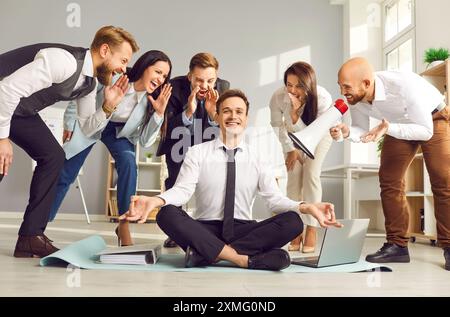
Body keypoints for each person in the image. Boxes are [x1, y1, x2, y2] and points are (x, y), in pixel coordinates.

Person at [121, 89, 342, 271]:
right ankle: (241, 259)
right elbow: (183, 191)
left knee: (293, 221)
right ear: (216, 117)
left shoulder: (258, 157)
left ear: (246, 118)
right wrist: (156, 201)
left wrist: (306, 207)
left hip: (244, 230)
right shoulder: (197, 152)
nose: (233, 116)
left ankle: (207, 254)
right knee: (167, 214)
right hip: (205, 228)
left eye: (239, 112)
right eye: (226, 111)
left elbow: (274, 199)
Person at [0, 26, 139, 258]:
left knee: (53, 156)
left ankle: (30, 238)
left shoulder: (89, 83)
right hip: (3, 98)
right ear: (105, 50)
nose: (123, 69)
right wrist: (2, 138)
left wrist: (108, 106)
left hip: (20, 111)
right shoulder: (64, 62)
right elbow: (6, 90)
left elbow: (86, 127)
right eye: (123, 60)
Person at [331, 57, 450, 271]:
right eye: (340, 86)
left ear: (366, 83)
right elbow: (360, 128)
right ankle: (397, 245)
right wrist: (347, 132)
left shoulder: (404, 86)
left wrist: (388, 129)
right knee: (389, 179)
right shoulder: (357, 98)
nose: (343, 92)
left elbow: (425, 131)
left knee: (443, 182)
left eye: (346, 87)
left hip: (432, 119)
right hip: (397, 124)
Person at [48, 50, 172, 247]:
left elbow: (146, 142)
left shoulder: (153, 101)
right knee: (66, 174)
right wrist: (69, 123)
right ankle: (40, 225)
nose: (160, 79)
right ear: (144, 67)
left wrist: (158, 114)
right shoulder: (116, 77)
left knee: (129, 164)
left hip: (118, 133)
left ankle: (123, 225)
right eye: (158, 72)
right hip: (94, 121)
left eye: (164, 76)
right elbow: (82, 94)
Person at [156, 52, 230, 248]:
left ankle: (213, 230)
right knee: (175, 183)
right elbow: (168, 130)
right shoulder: (173, 88)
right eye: (199, 80)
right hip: (179, 144)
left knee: (216, 182)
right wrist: (189, 110)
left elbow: (227, 129)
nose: (205, 86)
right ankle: (175, 232)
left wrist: (214, 114)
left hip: (207, 145)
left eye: (210, 80)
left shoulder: (223, 88)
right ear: (190, 76)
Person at [270, 62, 333, 253]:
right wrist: (291, 149)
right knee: (294, 179)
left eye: (298, 86)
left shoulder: (322, 98)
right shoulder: (278, 96)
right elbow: (276, 125)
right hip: (291, 139)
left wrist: (296, 116)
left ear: (308, 84)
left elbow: (315, 134)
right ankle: (295, 229)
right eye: (289, 84)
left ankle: (312, 228)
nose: (292, 90)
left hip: (321, 136)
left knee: (311, 174)